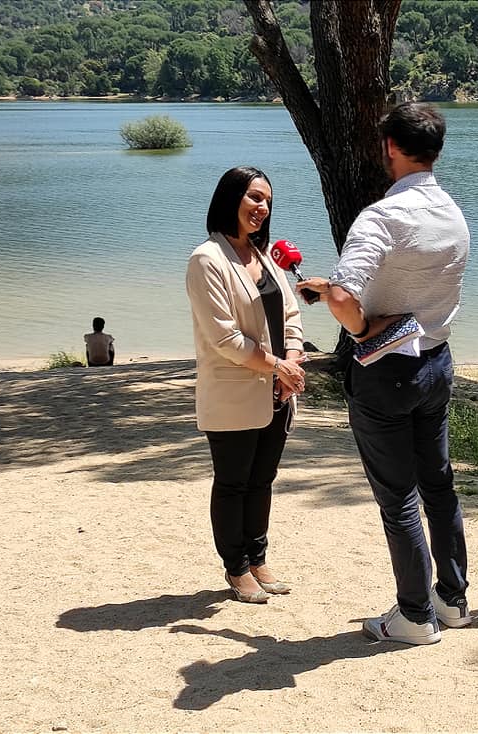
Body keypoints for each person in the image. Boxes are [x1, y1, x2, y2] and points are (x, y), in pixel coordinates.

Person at [297, 102, 471, 645]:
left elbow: (348, 297)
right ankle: (452, 598)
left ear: (390, 148)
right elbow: (410, 283)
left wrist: (357, 325)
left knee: (398, 497)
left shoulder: (381, 217)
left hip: (386, 373)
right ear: (435, 149)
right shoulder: (454, 214)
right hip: (436, 363)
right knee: (438, 484)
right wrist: (342, 294)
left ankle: (415, 616)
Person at [186, 166, 307, 604]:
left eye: (268, 201)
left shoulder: (264, 256)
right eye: (254, 197)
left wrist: (291, 361)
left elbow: (291, 315)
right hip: (235, 391)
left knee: (263, 480)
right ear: (230, 198)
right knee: (234, 482)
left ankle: (258, 558)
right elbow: (226, 339)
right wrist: (278, 366)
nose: (262, 208)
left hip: (277, 390)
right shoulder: (207, 259)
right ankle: (235, 568)